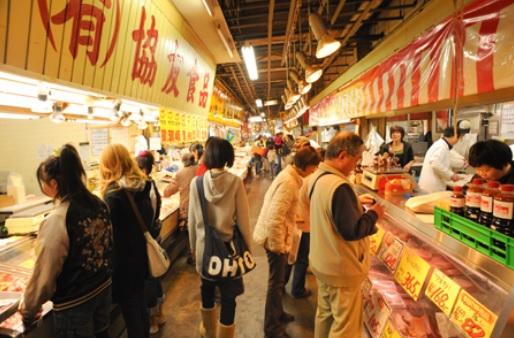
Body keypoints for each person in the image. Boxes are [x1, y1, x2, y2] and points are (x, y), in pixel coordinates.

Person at [20, 144, 113, 338]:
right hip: (103, 289)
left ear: (54, 184)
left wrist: (29, 309)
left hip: (74, 305)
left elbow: (45, 272)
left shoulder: (57, 218)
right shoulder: (99, 203)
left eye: (43, 183)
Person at [308, 131, 384, 338]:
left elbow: (327, 211)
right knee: (345, 327)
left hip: (322, 263)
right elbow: (353, 230)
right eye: (356, 159)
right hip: (341, 268)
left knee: (325, 314)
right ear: (342, 155)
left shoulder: (317, 177)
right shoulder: (339, 186)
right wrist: (374, 215)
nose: (357, 165)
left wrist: (354, 204)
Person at [187, 137, 252, 338]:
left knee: (207, 291)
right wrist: (247, 248)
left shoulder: (196, 183)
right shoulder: (235, 182)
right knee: (228, 297)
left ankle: (208, 331)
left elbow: (191, 222)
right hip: (229, 252)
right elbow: (243, 221)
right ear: (227, 157)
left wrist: (194, 249)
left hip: (205, 250)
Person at [253, 146, 321, 338]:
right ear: (306, 166)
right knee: (275, 285)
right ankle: (272, 328)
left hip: (276, 235)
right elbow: (276, 217)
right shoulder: (290, 182)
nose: (314, 171)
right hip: (274, 238)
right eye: (313, 167)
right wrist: (279, 246)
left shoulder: (289, 175)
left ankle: (278, 314)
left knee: (279, 282)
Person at [100, 144, 156, 338]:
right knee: (140, 306)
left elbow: (109, 236)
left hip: (123, 264)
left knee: (131, 313)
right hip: (140, 256)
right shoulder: (142, 185)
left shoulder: (113, 196)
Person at [136, 151, 166, 334]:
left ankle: (153, 319)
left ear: (142, 168)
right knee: (155, 278)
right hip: (154, 236)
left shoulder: (144, 188)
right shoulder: (151, 185)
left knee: (150, 281)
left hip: (148, 240)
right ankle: (160, 314)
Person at [418, 127, 464, 193]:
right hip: (432, 186)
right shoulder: (441, 146)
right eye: (459, 138)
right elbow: (435, 163)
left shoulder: (442, 145)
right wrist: (451, 175)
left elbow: (446, 161)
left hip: (432, 185)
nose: (458, 140)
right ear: (456, 136)